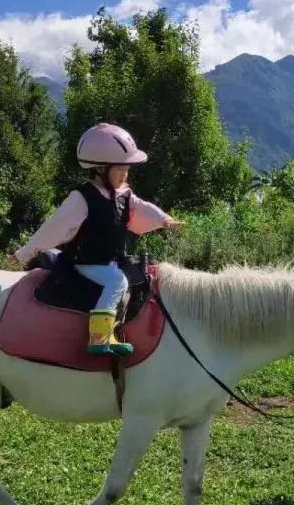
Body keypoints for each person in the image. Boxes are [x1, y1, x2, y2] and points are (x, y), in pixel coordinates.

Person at [10, 123, 184, 356]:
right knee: (117, 282)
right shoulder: (81, 198)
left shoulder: (124, 196)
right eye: (120, 169)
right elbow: (53, 228)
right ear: (100, 169)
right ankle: (99, 337)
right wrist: (24, 253)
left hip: (110, 259)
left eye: (127, 169)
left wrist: (164, 219)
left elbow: (143, 209)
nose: (125, 174)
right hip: (87, 261)